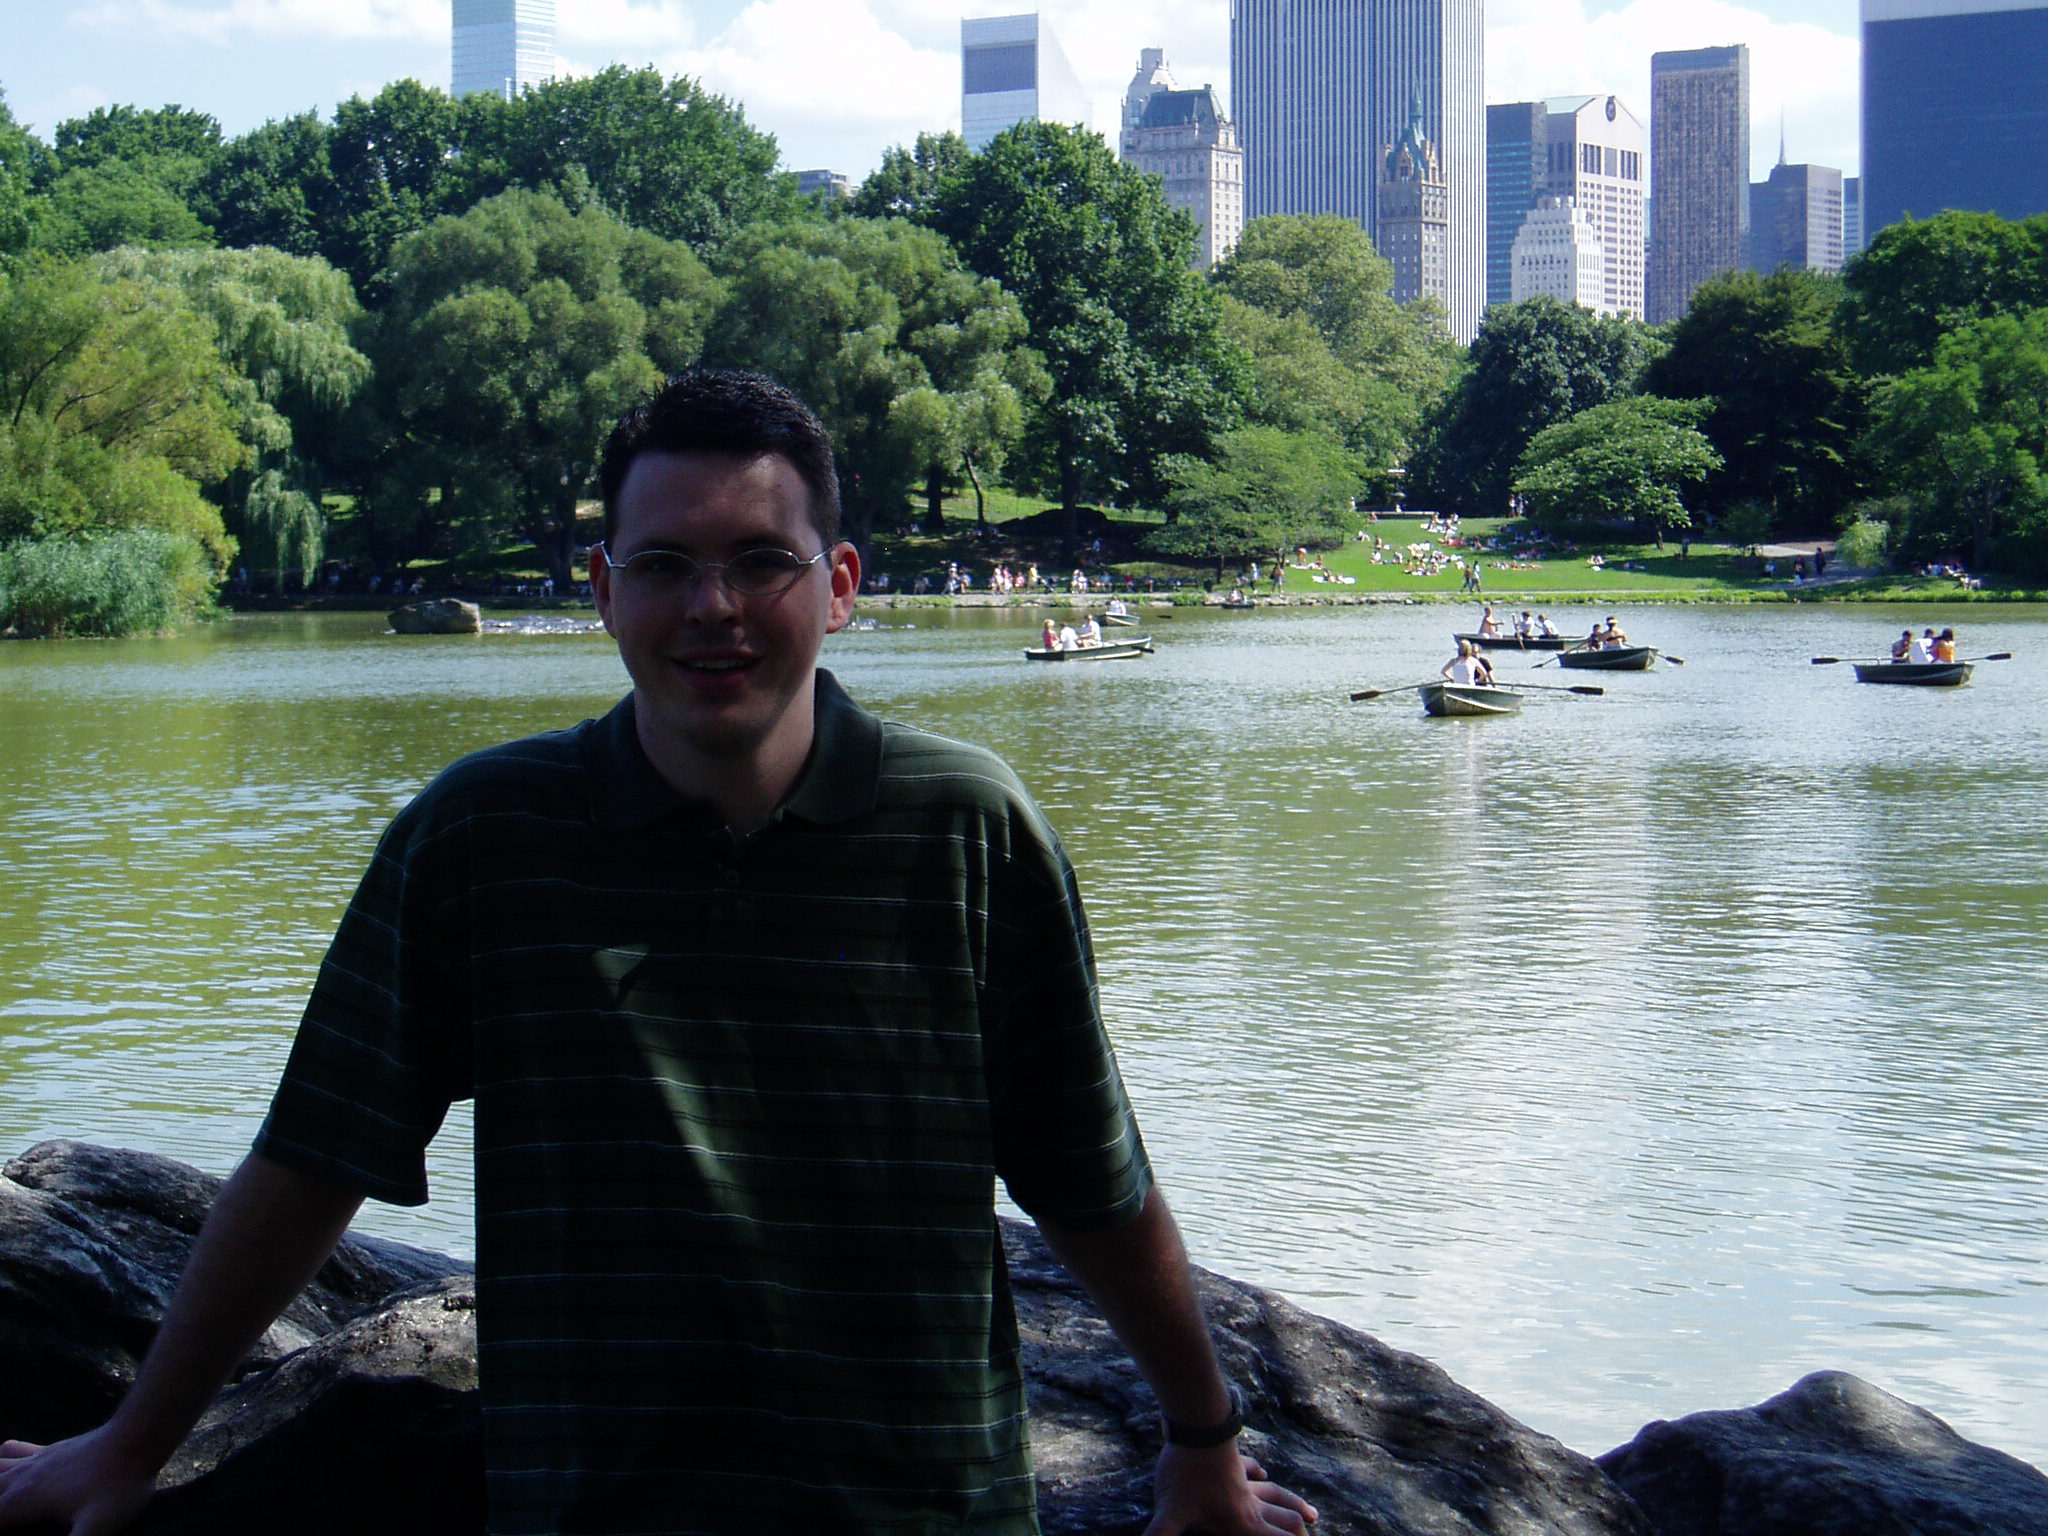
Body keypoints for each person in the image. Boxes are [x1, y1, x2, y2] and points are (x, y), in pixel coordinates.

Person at [0, 371, 1316, 1536]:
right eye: (666, 563)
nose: (713, 607)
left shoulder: (968, 827)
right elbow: (310, 1162)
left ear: (839, 585)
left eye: (761, 561)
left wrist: (1203, 1439)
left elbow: (1089, 1174)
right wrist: (133, 1446)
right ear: (603, 589)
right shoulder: (482, 837)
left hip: (925, 1510)